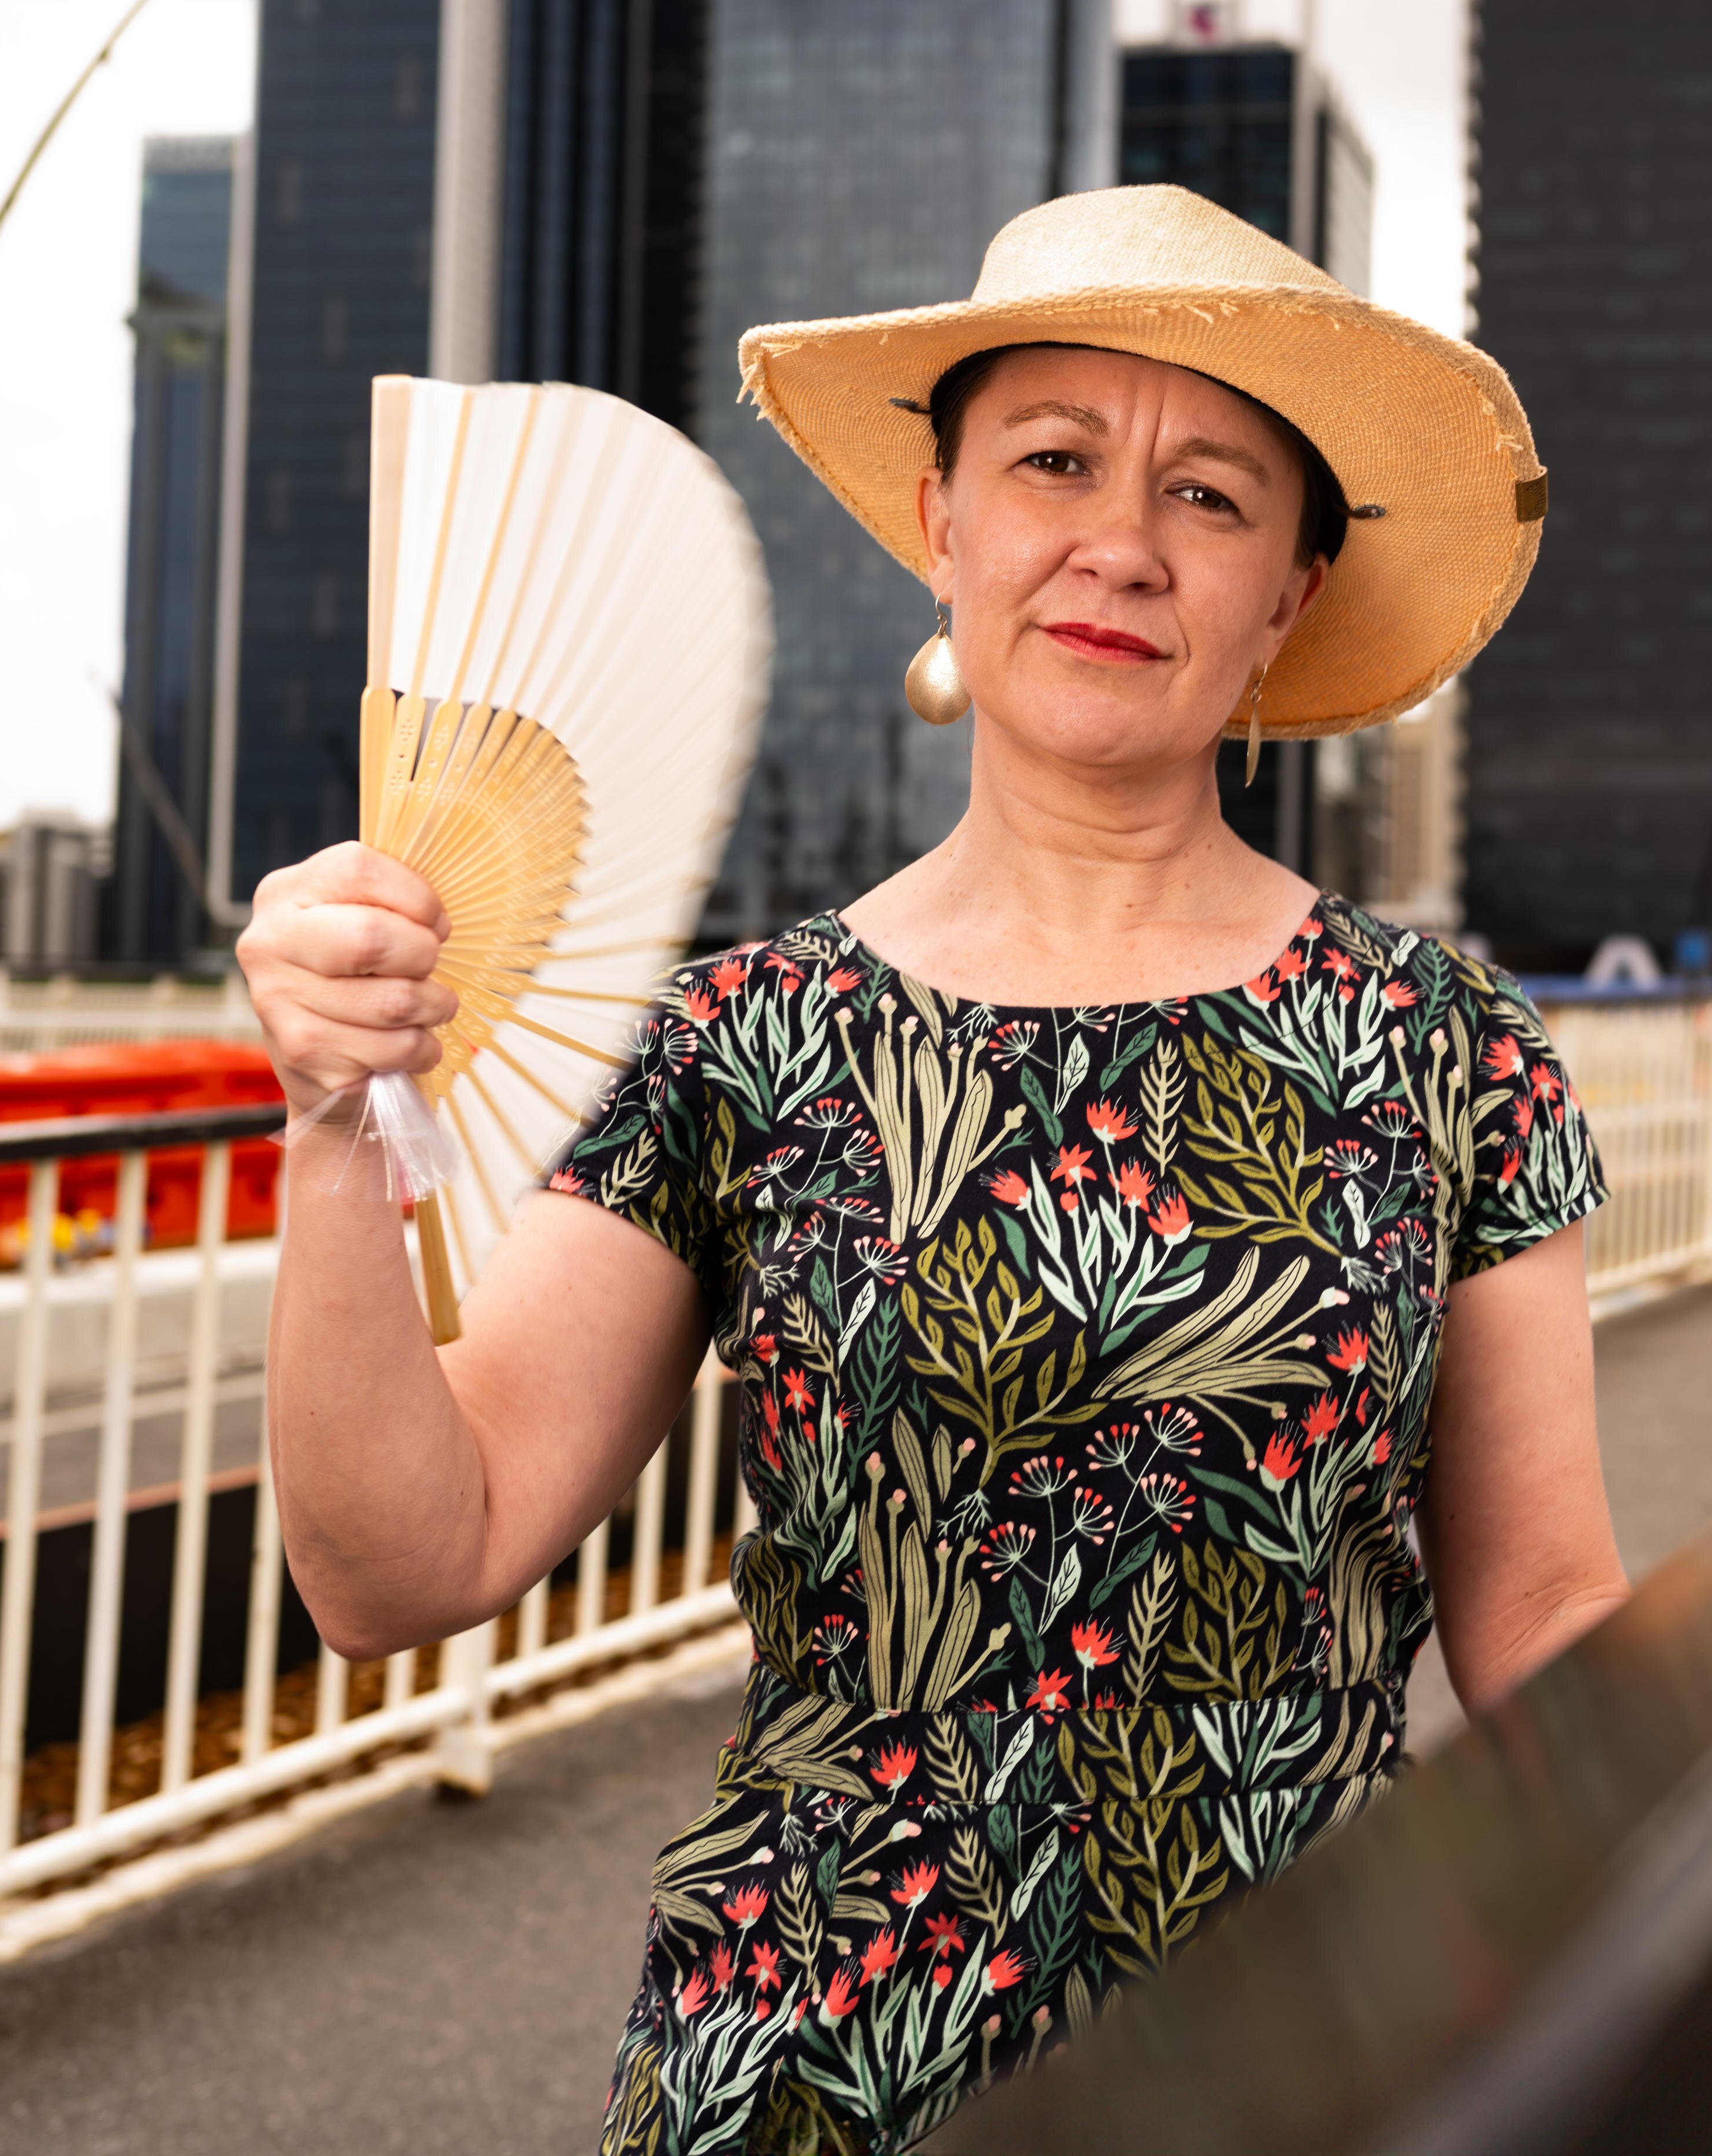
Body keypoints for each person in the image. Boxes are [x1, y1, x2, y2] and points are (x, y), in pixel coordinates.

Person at [238, 187, 1628, 2154]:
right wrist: (321, 1120)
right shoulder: (740, 1038)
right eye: (1053, 460)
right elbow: (395, 1561)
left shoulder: (1444, 1043)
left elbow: (1550, 1612)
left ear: (1290, 596)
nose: (1122, 544)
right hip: (804, 2076)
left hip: (1311, 2071)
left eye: (1213, 497)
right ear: (942, 521)